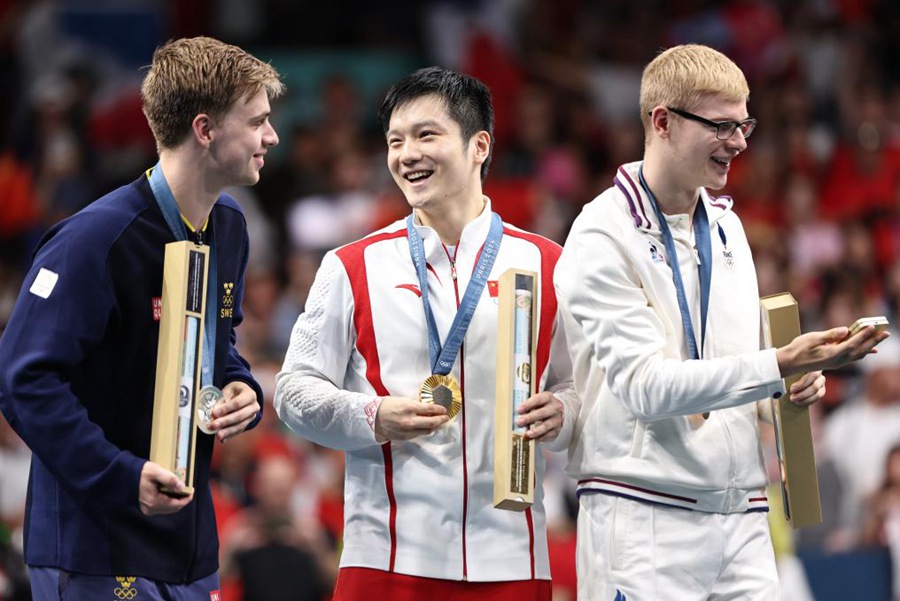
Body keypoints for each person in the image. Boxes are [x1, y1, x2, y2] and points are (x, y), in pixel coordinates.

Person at [553, 44, 890, 601]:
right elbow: (647, 388)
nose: (740, 142)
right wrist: (779, 362)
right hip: (644, 520)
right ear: (662, 122)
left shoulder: (730, 229)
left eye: (744, 124)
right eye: (722, 126)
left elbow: (738, 373)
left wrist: (789, 386)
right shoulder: (601, 236)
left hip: (744, 518)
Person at [274, 66, 577, 600]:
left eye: (425, 135)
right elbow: (293, 392)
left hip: (512, 558)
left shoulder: (549, 265)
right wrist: (373, 416)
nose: (406, 154)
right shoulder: (350, 265)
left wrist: (567, 412)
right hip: (387, 558)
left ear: (479, 145)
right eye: (395, 141)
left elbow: (584, 390)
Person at [0, 36, 283, 599]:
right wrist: (120, 477)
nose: (271, 137)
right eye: (256, 122)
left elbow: (217, 344)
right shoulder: (91, 241)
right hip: (94, 546)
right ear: (205, 130)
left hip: (188, 545)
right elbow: (22, 380)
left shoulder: (229, 226)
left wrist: (238, 385)